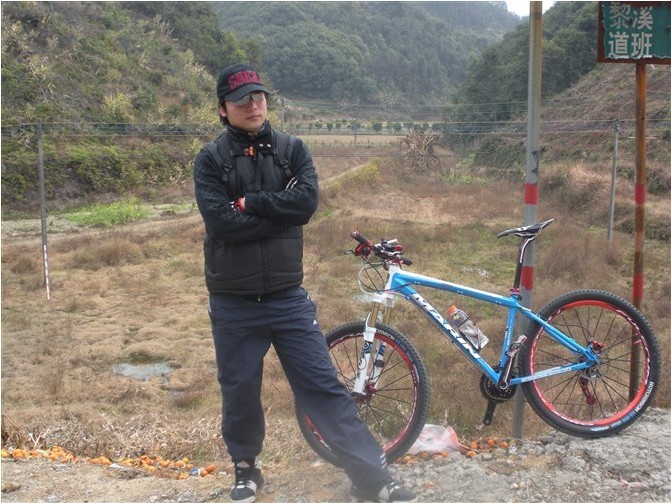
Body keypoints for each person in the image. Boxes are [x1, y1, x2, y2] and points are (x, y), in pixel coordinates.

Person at [193, 62, 417, 503]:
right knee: (239, 390)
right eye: (241, 100)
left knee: (323, 386)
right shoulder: (211, 159)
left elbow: (307, 202)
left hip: (287, 297)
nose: (253, 105)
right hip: (233, 300)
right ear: (223, 108)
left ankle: (372, 478)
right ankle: (246, 469)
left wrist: (251, 203)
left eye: (258, 96)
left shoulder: (291, 150)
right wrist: (280, 214)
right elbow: (221, 224)